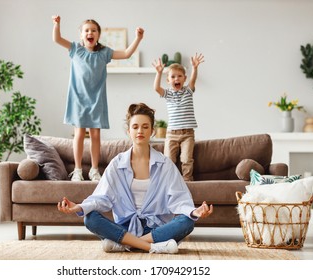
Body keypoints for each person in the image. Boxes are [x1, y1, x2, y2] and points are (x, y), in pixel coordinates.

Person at [58, 103, 213, 254]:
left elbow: (179, 199)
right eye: (135, 127)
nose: (140, 131)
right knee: (90, 218)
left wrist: (194, 211)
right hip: (125, 228)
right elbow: (102, 198)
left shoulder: (165, 164)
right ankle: (152, 247)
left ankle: (125, 244)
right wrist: (79, 207)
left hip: (156, 230)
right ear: (128, 131)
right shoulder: (117, 164)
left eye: (145, 127)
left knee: (187, 222)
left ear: (152, 131)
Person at [52, 16, 144, 181]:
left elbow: (126, 53)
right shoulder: (75, 50)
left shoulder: (104, 53)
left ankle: (94, 170)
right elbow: (57, 39)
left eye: (93, 30)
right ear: (81, 35)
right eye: (86, 30)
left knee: (95, 135)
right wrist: (57, 24)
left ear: (98, 35)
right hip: (78, 99)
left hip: (96, 100)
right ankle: (78, 170)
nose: (90, 32)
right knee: (79, 134)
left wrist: (138, 38)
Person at [152, 53, 205, 181]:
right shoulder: (168, 94)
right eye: (173, 77)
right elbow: (156, 88)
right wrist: (159, 73)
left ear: (184, 79)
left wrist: (195, 68)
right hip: (171, 134)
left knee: (186, 159)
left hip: (187, 134)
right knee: (169, 159)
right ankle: (169, 181)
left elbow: (193, 80)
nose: (177, 79)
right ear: (168, 80)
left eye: (180, 76)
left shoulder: (188, 91)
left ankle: (187, 180)